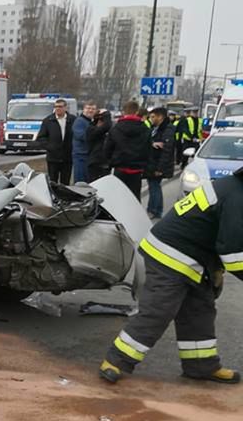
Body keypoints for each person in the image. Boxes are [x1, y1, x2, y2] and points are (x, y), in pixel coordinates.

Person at [99, 167, 243, 385]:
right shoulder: (237, 197)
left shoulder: (234, 189)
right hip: (169, 254)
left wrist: (215, 270)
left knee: (199, 310)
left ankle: (201, 366)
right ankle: (115, 361)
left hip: (195, 257)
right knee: (159, 310)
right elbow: (232, 251)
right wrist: (222, 268)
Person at [104, 100, 151, 199]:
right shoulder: (145, 129)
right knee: (134, 198)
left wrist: (111, 161)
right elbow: (148, 150)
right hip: (136, 170)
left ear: (123, 111)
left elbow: (107, 149)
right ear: (137, 111)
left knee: (118, 197)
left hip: (120, 168)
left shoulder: (116, 128)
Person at [144, 107, 176, 219]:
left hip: (157, 164)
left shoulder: (168, 129)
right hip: (152, 162)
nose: (151, 119)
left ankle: (153, 210)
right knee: (154, 186)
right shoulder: (156, 128)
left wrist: (160, 168)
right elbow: (150, 141)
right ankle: (156, 210)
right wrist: (152, 143)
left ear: (160, 117)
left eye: (153, 117)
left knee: (154, 186)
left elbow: (166, 151)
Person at [36, 98, 75, 185]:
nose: (57, 108)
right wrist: (50, 147)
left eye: (60, 106)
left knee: (65, 183)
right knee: (53, 183)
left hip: (67, 158)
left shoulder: (73, 120)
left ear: (65, 108)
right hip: (53, 158)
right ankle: (53, 198)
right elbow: (41, 137)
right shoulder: (48, 120)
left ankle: (65, 198)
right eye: (56, 106)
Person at [72, 100, 97, 182]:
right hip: (80, 156)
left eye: (93, 109)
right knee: (80, 182)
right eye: (88, 108)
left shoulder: (92, 122)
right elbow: (83, 137)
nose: (90, 110)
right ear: (83, 109)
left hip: (88, 156)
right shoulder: (79, 121)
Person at [86, 109, 113, 182]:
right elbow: (106, 126)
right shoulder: (91, 129)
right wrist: (106, 115)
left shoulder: (108, 132)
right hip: (94, 163)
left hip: (105, 164)